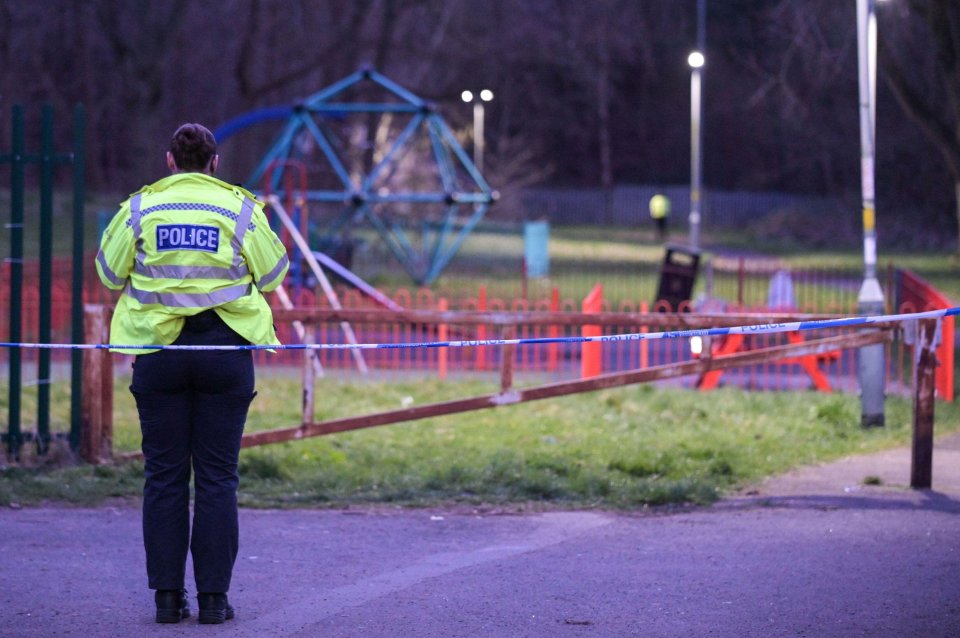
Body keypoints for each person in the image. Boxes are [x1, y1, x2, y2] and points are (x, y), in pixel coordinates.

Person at [95, 123, 289, 624]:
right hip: (225, 354)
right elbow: (273, 275)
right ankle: (213, 602)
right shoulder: (240, 208)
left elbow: (108, 273)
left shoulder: (139, 209)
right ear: (214, 163)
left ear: (169, 161)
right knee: (218, 479)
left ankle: (165, 600)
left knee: (163, 478)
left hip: (159, 356)